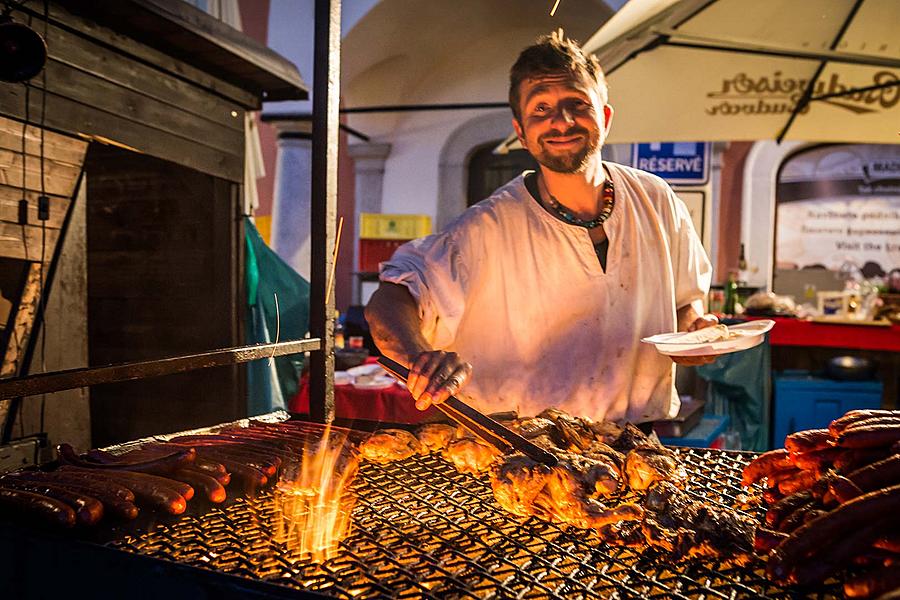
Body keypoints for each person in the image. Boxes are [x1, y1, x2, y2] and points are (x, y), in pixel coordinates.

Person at [365, 31, 718, 424]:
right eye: (541, 109)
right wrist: (419, 356)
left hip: (635, 440)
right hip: (522, 447)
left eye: (577, 104)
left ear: (604, 117)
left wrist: (695, 331)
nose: (561, 121)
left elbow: (688, 298)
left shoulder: (656, 199)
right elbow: (393, 297)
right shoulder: (485, 229)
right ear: (521, 131)